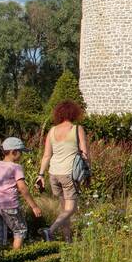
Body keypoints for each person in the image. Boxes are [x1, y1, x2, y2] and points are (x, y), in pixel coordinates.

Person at [36, 100, 88, 240]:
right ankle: (50, 230)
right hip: (69, 173)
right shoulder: (77, 129)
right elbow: (84, 153)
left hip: (54, 174)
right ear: (74, 113)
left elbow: (46, 155)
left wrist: (40, 174)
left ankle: (67, 240)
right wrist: (88, 172)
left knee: (64, 209)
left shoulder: (52, 130)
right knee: (71, 209)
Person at [0, 137, 43, 249]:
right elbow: (22, 188)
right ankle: (16, 257)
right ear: (13, 152)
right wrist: (34, 206)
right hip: (10, 205)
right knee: (20, 230)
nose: (22, 155)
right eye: (21, 152)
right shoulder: (16, 167)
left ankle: (2, 261)